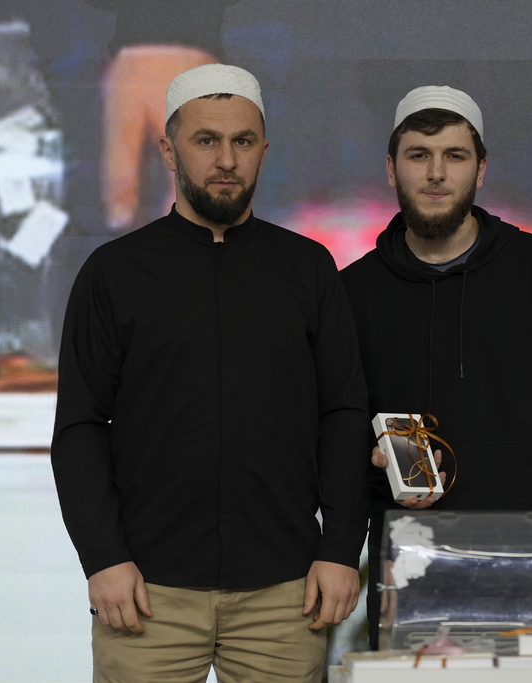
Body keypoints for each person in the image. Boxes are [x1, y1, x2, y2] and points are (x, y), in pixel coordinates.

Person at [51, 63, 370, 682]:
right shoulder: (115, 274)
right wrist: (103, 558)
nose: (226, 160)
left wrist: (339, 550)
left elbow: (343, 415)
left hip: (286, 592)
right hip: (146, 592)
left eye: (242, 141)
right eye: (206, 140)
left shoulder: (307, 269)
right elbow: (81, 427)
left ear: (263, 151)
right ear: (169, 150)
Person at [340, 86, 532, 648]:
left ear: (481, 169)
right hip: (412, 554)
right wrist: (367, 454)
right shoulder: (354, 291)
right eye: (419, 155)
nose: (436, 173)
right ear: (391, 168)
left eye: (455, 155)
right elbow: (336, 423)